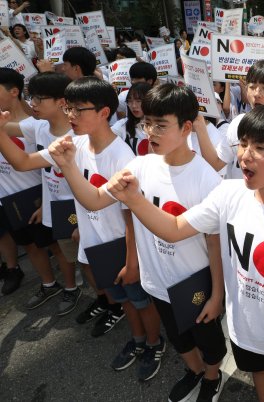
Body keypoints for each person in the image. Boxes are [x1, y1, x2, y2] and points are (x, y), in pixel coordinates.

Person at [107, 104, 264, 402]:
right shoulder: (229, 194)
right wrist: (133, 199)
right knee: (261, 378)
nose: (245, 155)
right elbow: (175, 228)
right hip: (248, 328)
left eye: (260, 148)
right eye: (243, 144)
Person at [51, 83, 228, 402]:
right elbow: (94, 200)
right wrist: (67, 166)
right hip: (156, 279)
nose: (151, 131)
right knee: (178, 336)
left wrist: (217, 294)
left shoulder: (208, 180)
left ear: (187, 127)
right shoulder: (139, 166)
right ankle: (195, 370)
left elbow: (213, 244)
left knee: (209, 339)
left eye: (161, 125)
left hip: (194, 283)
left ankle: (212, 376)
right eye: (148, 122)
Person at [45, 77, 165, 381]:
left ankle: (154, 343)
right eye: (67, 108)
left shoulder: (123, 158)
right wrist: (80, 226)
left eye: (78, 109)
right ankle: (137, 340)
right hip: (97, 245)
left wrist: (131, 261)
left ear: (104, 112)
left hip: (122, 247)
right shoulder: (79, 143)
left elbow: (130, 218)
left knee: (139, 299)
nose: (70, 115)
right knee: (122, 299)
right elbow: (79, 190)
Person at [0, 72, 81, 314]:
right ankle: (62, 287)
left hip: (79, 207)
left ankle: (90, 295)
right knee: (75, 257)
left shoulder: (80, 136)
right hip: (51, 205)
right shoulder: (38, 127)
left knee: (86, 258)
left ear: (62, 101)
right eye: (31, 96)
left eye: (39, 98)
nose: (32, 102)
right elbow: (12, 133)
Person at [195, 59, 264, 179]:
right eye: (252, 87)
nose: (257, 93)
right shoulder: (238, 123)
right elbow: (216, 163)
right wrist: (200, 124)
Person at [111, 82, 152, 156]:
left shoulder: (161, 126)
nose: (133, 106)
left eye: (138, 101)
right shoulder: (122, 125)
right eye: (129, 101)